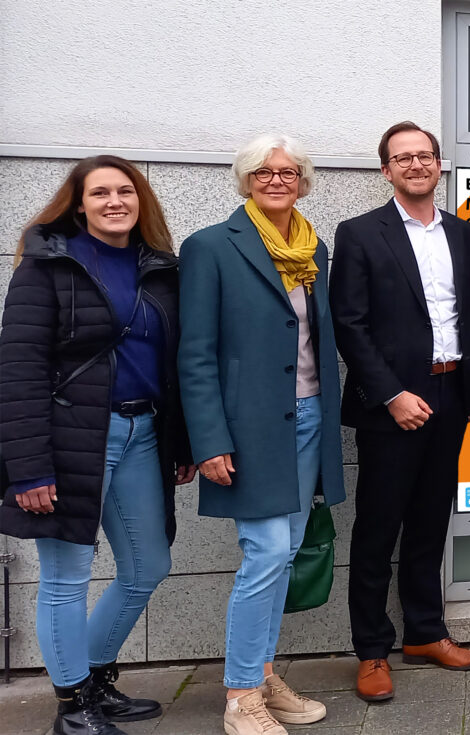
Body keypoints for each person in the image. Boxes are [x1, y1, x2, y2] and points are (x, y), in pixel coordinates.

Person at [0, 155, 194, 735]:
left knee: (148, 564)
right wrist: (29, 470)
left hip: (142, 432)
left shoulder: (159, 268)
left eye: (125, 191)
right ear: (79, 204)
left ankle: (93, 680)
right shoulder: (47, 266)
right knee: (66, 577)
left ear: (140, 201)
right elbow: (18, 370)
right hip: (68, 439)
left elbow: (175, 364)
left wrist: (182, 441)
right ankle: (73, 708)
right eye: (100, 192)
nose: (115, 201)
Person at [177, 134, 345, 735]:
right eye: (263, 172)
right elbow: (195, 353)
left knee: (286, 553)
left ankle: (264, 673)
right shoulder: (210, 246)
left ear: (303, 181)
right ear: (246, 180)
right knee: (267, 553)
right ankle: (242, 694)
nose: (277, 180)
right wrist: (209, 439)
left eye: (288, 172)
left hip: (309, 418)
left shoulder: (313, 248)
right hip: (247, 428)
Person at [330, 121, 470, 702]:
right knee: (378, 529)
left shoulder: (461, 232)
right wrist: (392, 395)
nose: (416, 165)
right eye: (403, 158)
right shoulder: (359, 234)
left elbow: (465, 315)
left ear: (439, 165)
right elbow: (349, 323)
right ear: (386, 170)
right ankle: (372, 650)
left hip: (450, 394)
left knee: (430, 521)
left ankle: (425, 633)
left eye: (425, 156)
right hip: (393, 402)